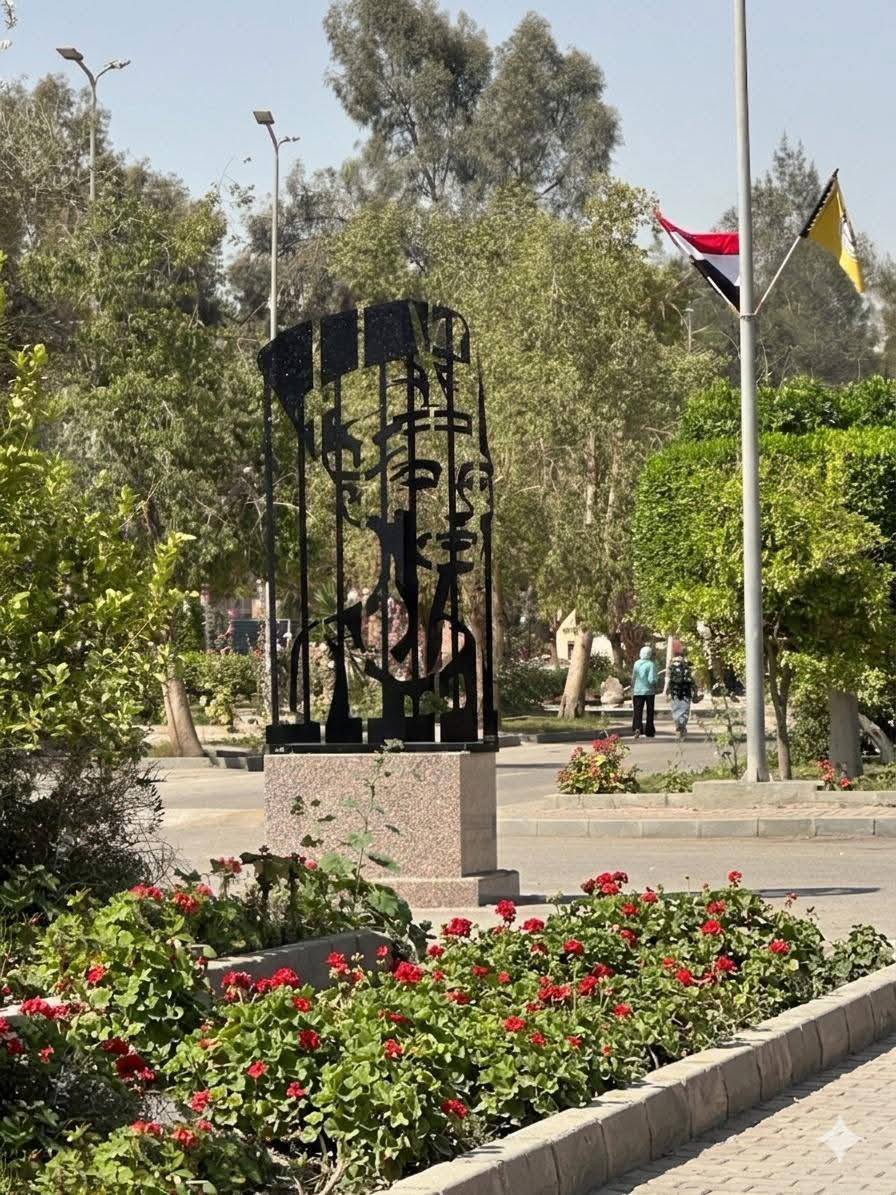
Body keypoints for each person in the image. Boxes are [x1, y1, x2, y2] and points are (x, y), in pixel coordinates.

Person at [668, 641, 697, 738]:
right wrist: (695, 691)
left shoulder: (672, 664)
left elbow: (669, 679)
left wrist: (668, 692)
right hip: (686, 691)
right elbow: (691, 679)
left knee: (675, 708)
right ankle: (682, 725)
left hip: (675, 691)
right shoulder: (687, 664)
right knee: (685, 708)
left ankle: (678, 725)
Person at [631, 645, 658, 739]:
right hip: (649, 692)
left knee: (637, 711)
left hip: (637, 691)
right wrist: (656, 681)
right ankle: (649, 731)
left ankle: (637, 728)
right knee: (650, 711)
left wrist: (632, 687)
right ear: (649, 654)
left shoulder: (636, 663)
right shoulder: (651, 664)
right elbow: (651, 680)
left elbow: (633, 677)